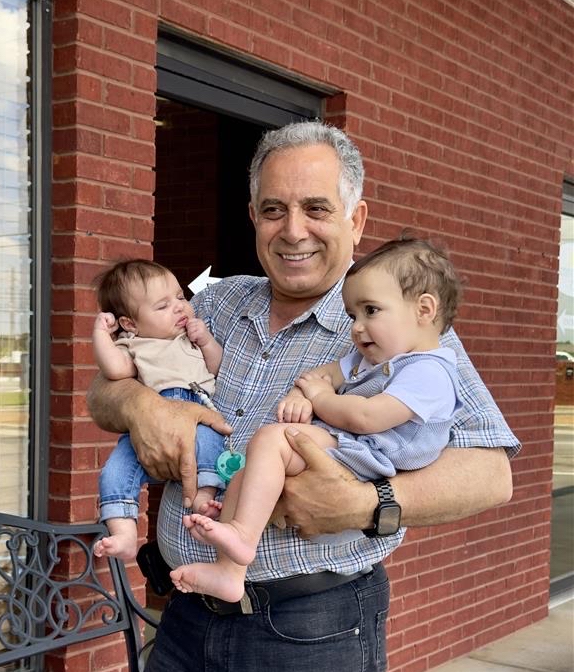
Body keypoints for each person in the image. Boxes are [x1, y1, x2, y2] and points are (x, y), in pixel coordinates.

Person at [87, 120, 520, 672]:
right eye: (273, 209)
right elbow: (102, 393)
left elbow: (491, 472)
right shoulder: (216, 301)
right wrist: (142, 406)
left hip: (313, 634)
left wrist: (366, 503)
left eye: (316, 208)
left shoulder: (401, 328)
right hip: (182, 622)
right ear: (253, 217)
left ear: (356, 216)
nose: (293, 230)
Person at [172, 237, 463, 603]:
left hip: (374, 456)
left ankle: (242, 536)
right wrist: (301, 394)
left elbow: (366, 417)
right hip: (356, 448)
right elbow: (322, 375)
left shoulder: (430, 371)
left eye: (371, 311)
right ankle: (230, 570)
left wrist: (320, 399)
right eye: (352, 315)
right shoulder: (373, 357)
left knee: (271, 440)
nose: (357, 328)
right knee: (253, 468)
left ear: (424, 310)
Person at [91, 259, 228, 561]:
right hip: (149, 424)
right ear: (130, 323)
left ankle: (204, 499)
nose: (180, 307)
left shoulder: (190, 339)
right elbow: (114, 370)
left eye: (180, 297)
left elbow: (218, 368)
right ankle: (124, 532)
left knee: (211, 445)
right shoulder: (133, 345)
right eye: (162, 306)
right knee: (114, 471)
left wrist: (205, 341)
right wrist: (102, 335)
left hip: (199, 408)